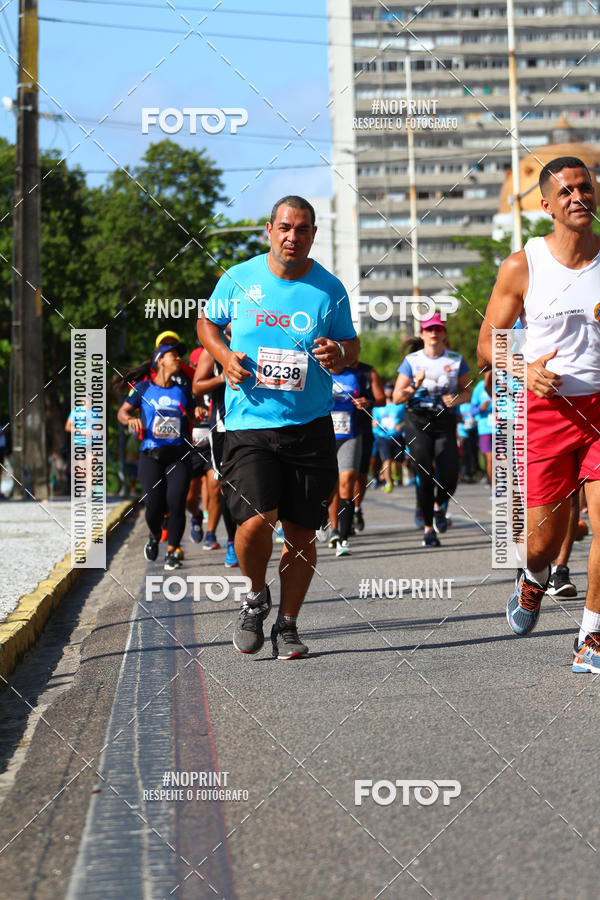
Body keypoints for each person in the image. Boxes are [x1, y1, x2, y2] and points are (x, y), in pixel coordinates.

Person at [197, 195, 359, 659]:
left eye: (303, 228)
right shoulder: (238, 278)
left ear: (312, 234)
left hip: (309, 426)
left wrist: (340, 354)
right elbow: (207, 322)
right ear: (269, 229)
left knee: (303, 534)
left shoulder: (329, 289)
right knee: (253, 523)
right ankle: (254, 597)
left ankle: (287, 624)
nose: (293, 236)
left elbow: (352, 345)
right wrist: (225, 357)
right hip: (249, 423)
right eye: (285, 227)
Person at [477, 155, 600, 672]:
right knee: (544, 542)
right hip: (547, 410)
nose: (579, 197)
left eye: (586, 188)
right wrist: (524, 371)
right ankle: (532, 578)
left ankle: (591, 635)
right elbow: (487, 344)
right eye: (567, 191)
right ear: (546, 205)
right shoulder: (522, 265)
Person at [117, 339, 198, 570]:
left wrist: (198, 412)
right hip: (151, 454)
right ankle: (154, 533)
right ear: (160, 360)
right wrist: (130, 419)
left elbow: (193, 413)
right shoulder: (143, 389)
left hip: (178, 455)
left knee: (176, 501)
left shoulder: (182, 389)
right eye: (173, 355)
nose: (179, 359)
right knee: (154, 504)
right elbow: (122, 412)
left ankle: (172, 551)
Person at [393, 313, 471, 547]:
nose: (434, 332)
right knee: (424, 474)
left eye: (438, 328)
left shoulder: (456, 360)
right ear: (423, 334)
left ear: (444, 333)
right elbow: (397, 397)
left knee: (449, 474)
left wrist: (455, 400)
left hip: (444, 421)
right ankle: (428, 529)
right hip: (417, 421)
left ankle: (440, 506)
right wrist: (415, 385)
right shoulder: (412, 361)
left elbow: (467, 392)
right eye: (429, 329)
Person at [192, 338, 240, 568]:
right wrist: (223, 377)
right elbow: (197, 386)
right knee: (228, 487)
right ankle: (232, 541)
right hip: (224, 428)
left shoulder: (260, 338)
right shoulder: (213, 349)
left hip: (261, 424)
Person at [328, 363, 363, 556]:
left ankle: (343, 538)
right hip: (323, 436)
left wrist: (365, 402)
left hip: (350, 435)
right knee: (328, 487)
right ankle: (332, 528)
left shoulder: (355, 375)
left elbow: (375, 398)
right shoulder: (318, 372)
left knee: (346, 484)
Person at [372, 385, 405, 493]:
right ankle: (389, 482)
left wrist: (401, 425)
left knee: (398, 462)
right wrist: (374, 423)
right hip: (383, 437)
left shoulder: (399, 405)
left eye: (391, 389)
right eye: (386, 389)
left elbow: (406, 419)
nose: (388, 392)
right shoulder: (377, 407)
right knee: (386, 460)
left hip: (397, 436)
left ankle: (395, 474)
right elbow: (373, 421)